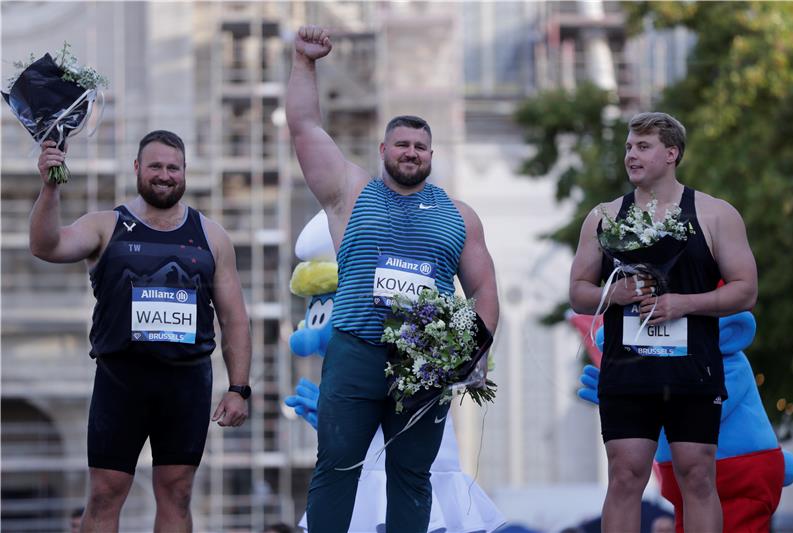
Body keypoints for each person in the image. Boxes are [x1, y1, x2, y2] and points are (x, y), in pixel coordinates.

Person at [287, 25, 499, 533]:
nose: (411, 152)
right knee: (336, 466)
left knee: (412, 474)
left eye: (421, 146)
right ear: (383, 149)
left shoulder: (459, 215)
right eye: (402, 143)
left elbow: (485, 290)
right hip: (357, 347)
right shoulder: (351, 192)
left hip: (426, 362)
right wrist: (304, 62)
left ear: (432, 154)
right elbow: (305, 127)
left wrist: (474, 352)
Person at [31, 131, 252, 532]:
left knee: (178, 492)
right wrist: (49, 189)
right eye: (155, 166)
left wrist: (239, 388)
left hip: (186, 381)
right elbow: (46, 246)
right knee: (105, 492)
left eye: (173, 168)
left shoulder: (212, 236)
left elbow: (235, 318)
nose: (164, 175)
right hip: (121, 380)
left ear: (185, 173)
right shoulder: (106, 225)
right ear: (137, 168)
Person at [569, 112, 757, 533]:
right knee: (624, 476)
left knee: (696, 475)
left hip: (692, 369)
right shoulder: (603, 216)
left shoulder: (714, 214)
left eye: (643, 146)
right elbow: (578, 290)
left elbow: (746, 289)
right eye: (628, 147)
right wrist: (613, 294)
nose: (631, 155)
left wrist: (685, 304)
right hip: (628, 370)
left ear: (671, 153)